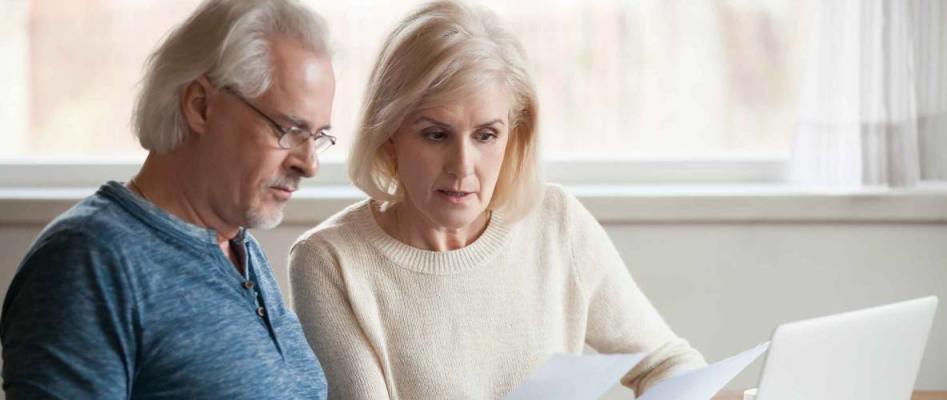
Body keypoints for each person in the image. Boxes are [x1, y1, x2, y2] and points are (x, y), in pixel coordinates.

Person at [288, 1, 707, 399]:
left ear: (513, 135)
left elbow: (669, 363)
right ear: (390, 135)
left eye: (486, 135)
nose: (462, 166)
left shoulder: (556, 223)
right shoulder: (329, 262)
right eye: (436, 135)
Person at [0, 1, 335, 398]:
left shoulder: (240, 248)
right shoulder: (89, 260)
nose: (309, 164)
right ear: (200, 106)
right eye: (289, 129)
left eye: (317, 137)